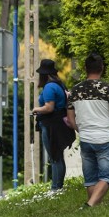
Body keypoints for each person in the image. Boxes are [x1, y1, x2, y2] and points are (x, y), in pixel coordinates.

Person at [66, 52, 109, 207]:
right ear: (102, 68)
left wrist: (80, 130)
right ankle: (90, 206)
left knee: (91, 179)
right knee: (108, 176)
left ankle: (94, 210)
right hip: (106, 137)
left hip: (85, 139)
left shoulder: (75, 91)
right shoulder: (108, 89)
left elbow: (71, 118)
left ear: (85, 68)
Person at [31, 58, 75, 191]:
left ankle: (56, 188)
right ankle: (58, 187)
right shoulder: (60, 84)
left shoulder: (49, 86)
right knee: (58, 156)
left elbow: (49, 107)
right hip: (59, 124)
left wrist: (35, 109)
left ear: (43, 74)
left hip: (51, 125)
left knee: (55, 157)